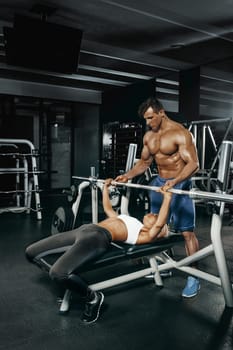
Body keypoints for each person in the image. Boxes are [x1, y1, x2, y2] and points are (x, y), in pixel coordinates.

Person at [25, 178, 172, 324]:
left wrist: (167, 197)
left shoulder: (145, 235)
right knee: (31, 252)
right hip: (84, 230)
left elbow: (159, 223)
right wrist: (105, 188)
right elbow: (108, 209)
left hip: (97, 238)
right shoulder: (133, 221)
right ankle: (64, 283)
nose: (154, 214)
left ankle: (93, 298)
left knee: (58, 273)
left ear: (157, 231)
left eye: (157, 217)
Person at [115, 97, 200, 298]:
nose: (148, 122)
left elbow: (193, 164)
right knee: (157, 227)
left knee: (187, 233)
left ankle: (193, 277)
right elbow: (144, 163)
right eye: (146, 119)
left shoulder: (180, 133)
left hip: (179, 185)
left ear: (161, 113)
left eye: (151, 118)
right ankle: (164, 264)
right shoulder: (148, 136)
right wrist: (127, 175)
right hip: (158, 184)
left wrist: (176, 181)